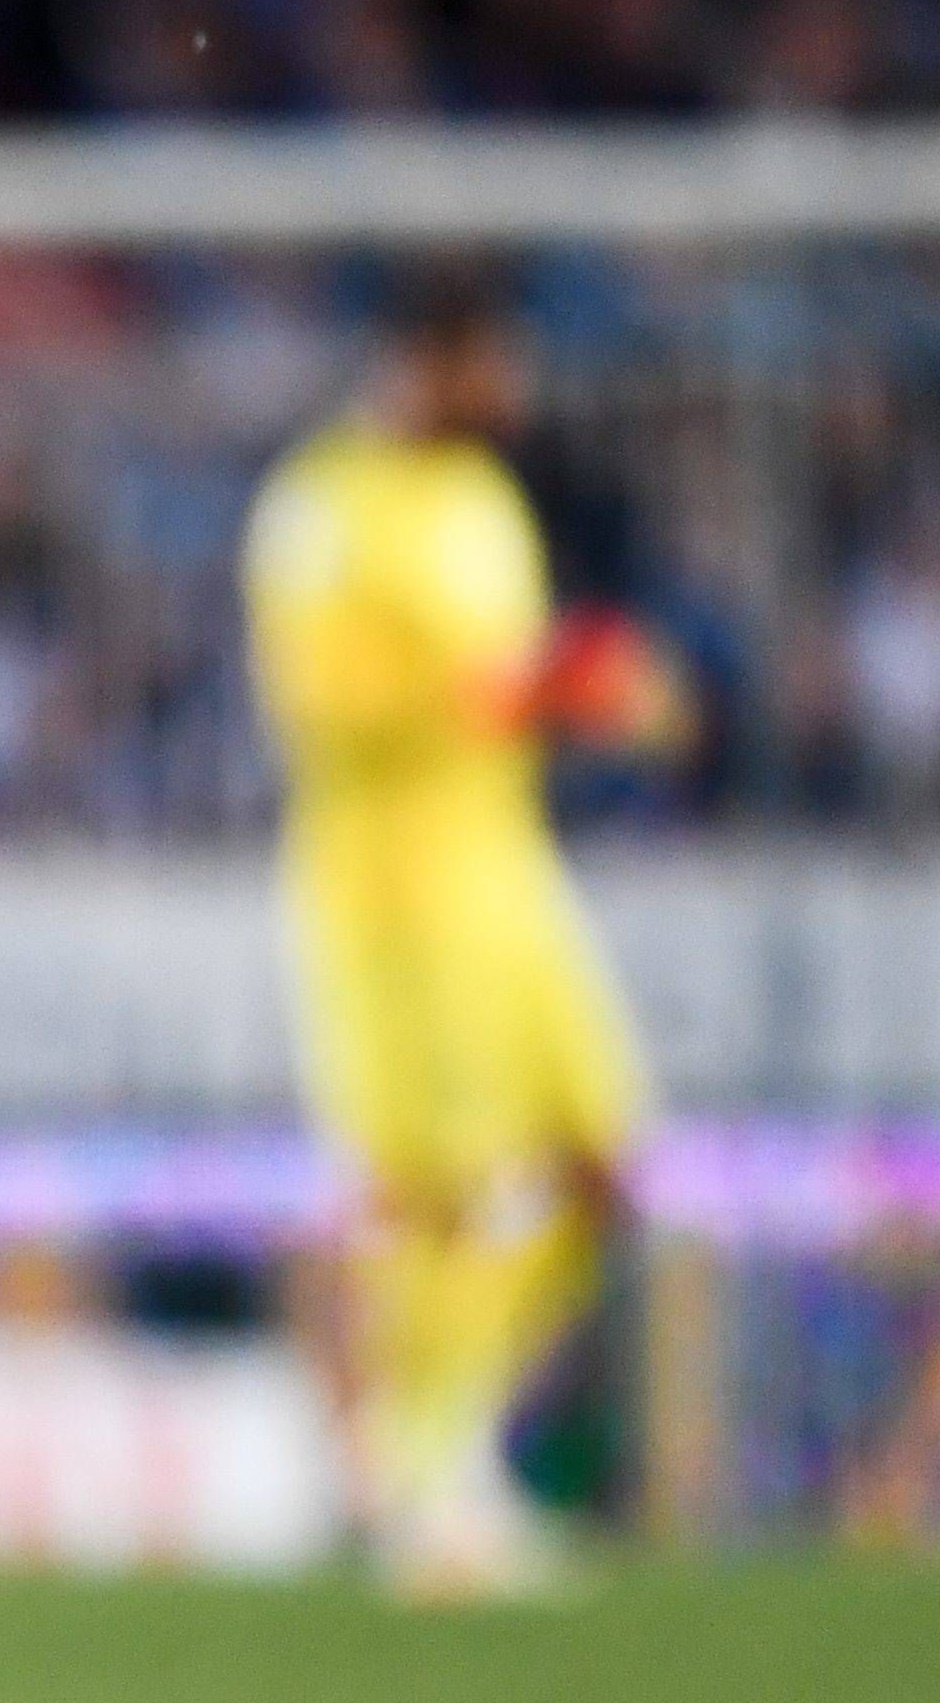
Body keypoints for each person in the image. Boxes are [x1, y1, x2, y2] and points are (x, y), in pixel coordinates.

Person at [243, 263, 684, 1603]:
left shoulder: (483, 500)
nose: (514, 389)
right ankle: (433, 1476)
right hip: (386, 891)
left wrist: (591, 695)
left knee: (601, 1157)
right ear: (428, 360)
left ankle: (444, 1440)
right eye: (494, 362)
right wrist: (522, 689)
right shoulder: (322, 507)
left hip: (505, 871)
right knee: (442, 1185)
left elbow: (515, 681)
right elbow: (321, 700)